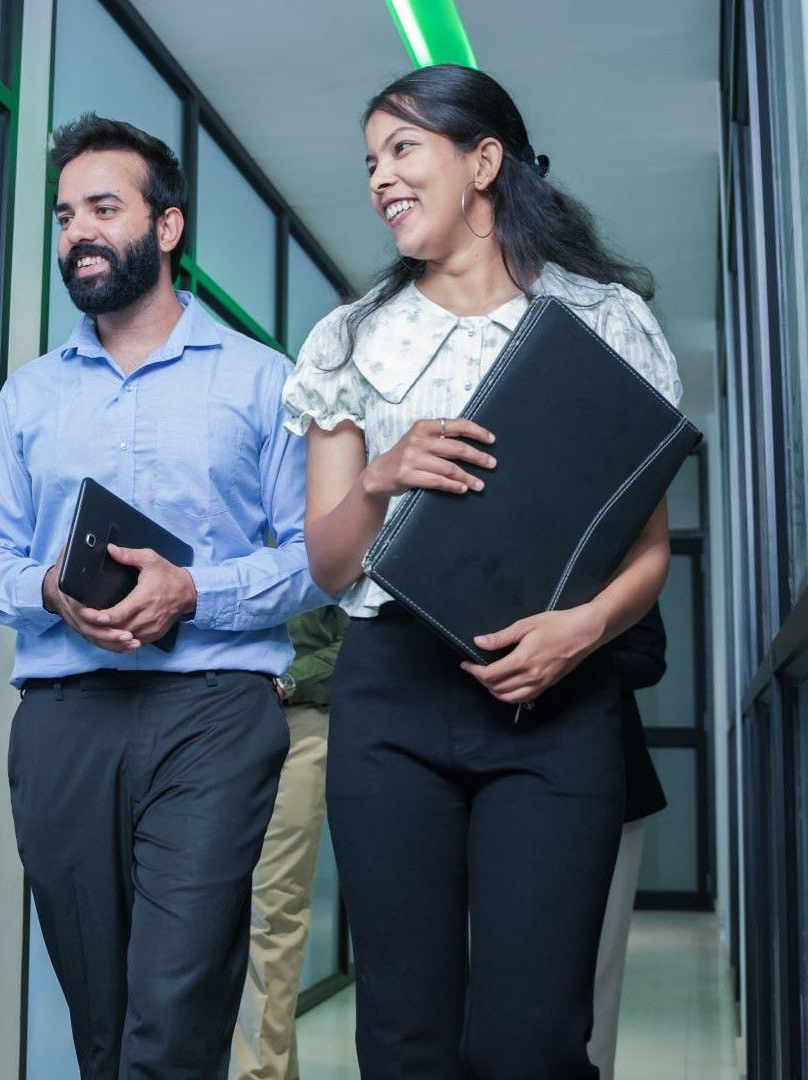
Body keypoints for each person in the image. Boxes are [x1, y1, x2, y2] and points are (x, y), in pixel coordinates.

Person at [284, 64, 683, 1079]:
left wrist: (582, 631)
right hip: (390, 700)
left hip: (554, 697)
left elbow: (646, 547)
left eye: (402, 149)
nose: (380, 177)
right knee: (405, 1035)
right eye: (370, 162)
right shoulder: (349, 337)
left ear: (484, 161)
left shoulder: (602, 320)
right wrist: (380, 477)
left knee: (530, 1039)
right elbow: (328, 565)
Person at [0, 114, 325, 1079]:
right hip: (64, 716)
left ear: (166, 227)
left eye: (103, 208)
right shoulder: (30, 395)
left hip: (215, 713)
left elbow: (319, 558)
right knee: (103, 1024)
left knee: (175, 1007)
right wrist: (47, 589)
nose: (78, 231)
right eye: (65, 215)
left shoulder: (261, 380)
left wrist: (196, 592)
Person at [232, 603, 346, 1080]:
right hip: (198, 717)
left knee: (272, 912)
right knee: (191, 917)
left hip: (293, 720)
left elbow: (361, 641)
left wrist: (288, 680)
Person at [591, 603, 673, 1078]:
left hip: (612, 778)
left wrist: (567, 659)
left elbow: (648, 657)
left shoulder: (609, 558)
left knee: (598, 969)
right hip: (480, 775)